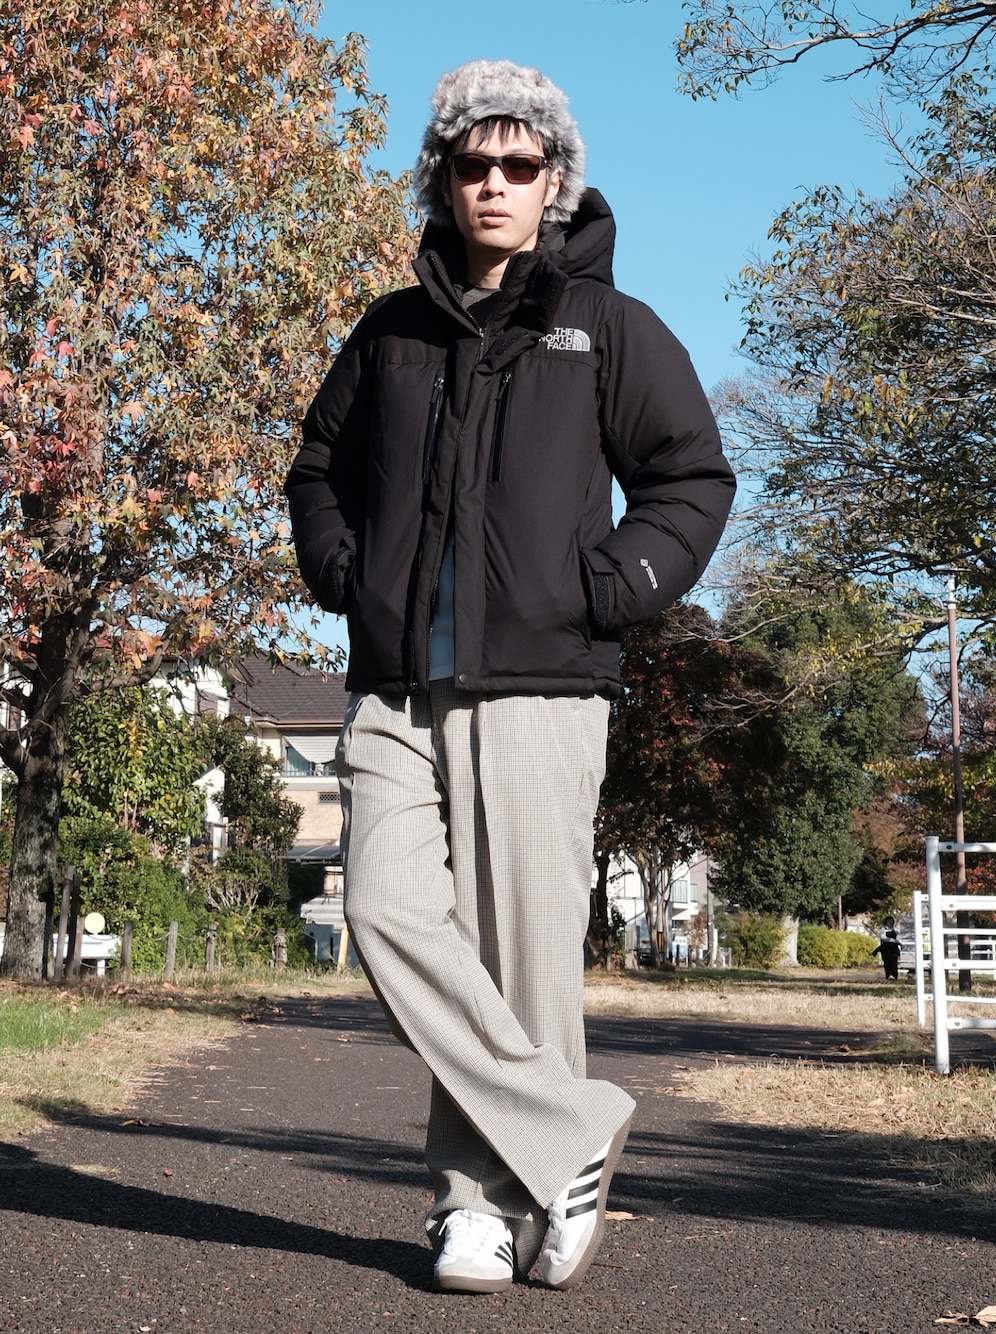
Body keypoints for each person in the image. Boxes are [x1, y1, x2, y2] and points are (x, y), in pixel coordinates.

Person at [285, 59, 735, 1294]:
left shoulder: (605, 328)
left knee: (521, 958)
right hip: (395, 685)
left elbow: (691, 478)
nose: (494, 182)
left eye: (518, 163)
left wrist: (610, 586)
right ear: (442, 179)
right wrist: (340, 566)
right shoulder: (390, 331)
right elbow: (318, 466)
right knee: (383, 911)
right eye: (472, 163)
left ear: (553, 181)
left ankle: (478, 1209)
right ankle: (570, 1126)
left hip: (541, 684)